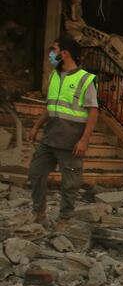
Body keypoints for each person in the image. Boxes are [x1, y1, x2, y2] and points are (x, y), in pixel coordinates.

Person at [28, 34, 99, 227]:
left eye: (54, 50)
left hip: (71, 141)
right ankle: (38, 212)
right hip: (50, 137)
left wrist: (84, 140)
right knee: (36, 173)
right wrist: (36, 126)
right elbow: (51, 106)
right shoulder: (54, 76)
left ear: (65, 53)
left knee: (70, 183)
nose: (51, 54)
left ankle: (65, 218)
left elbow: (93, 112)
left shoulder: (86, 79)